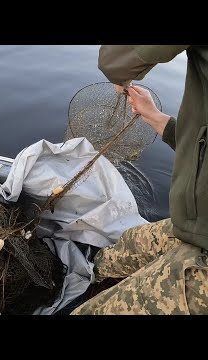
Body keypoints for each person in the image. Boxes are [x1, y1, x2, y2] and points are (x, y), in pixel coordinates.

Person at [71, 45, 208, 314]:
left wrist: (121, 75)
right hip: (200, 221)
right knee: (117, 251)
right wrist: (157, 118)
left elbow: (115, 61)